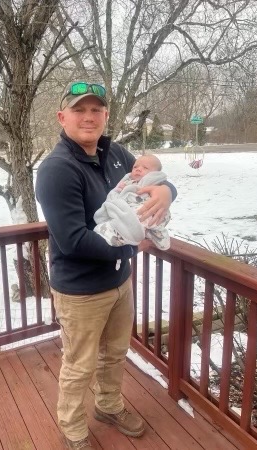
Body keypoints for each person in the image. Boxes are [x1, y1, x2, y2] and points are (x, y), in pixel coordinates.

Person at [35, 81, 176, 450]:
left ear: (106, 116)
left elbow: (152, 178)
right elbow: (73, 240)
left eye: (96, 110)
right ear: (61, 117)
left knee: (114, 353)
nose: (88, 117)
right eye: (79, 110)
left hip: (119, 283)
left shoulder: (116, 154)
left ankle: (109, 407)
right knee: (80, 365)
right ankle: (72, 427)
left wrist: (165, 191)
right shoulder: (57, 169)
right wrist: (132, 248)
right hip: (80, 290)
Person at [94, 154, 171, 254]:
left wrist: (167, 191)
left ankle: (122, 234)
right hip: (125, 211)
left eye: (145, 168)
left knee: (147, 217)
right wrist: (119, 190)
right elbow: (117, 195)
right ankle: (116, 232)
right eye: (135, 167)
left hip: (143, 212)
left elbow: (163, 190)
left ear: (155, 174)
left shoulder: (118, 152)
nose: (138, 169)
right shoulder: (129, 181)